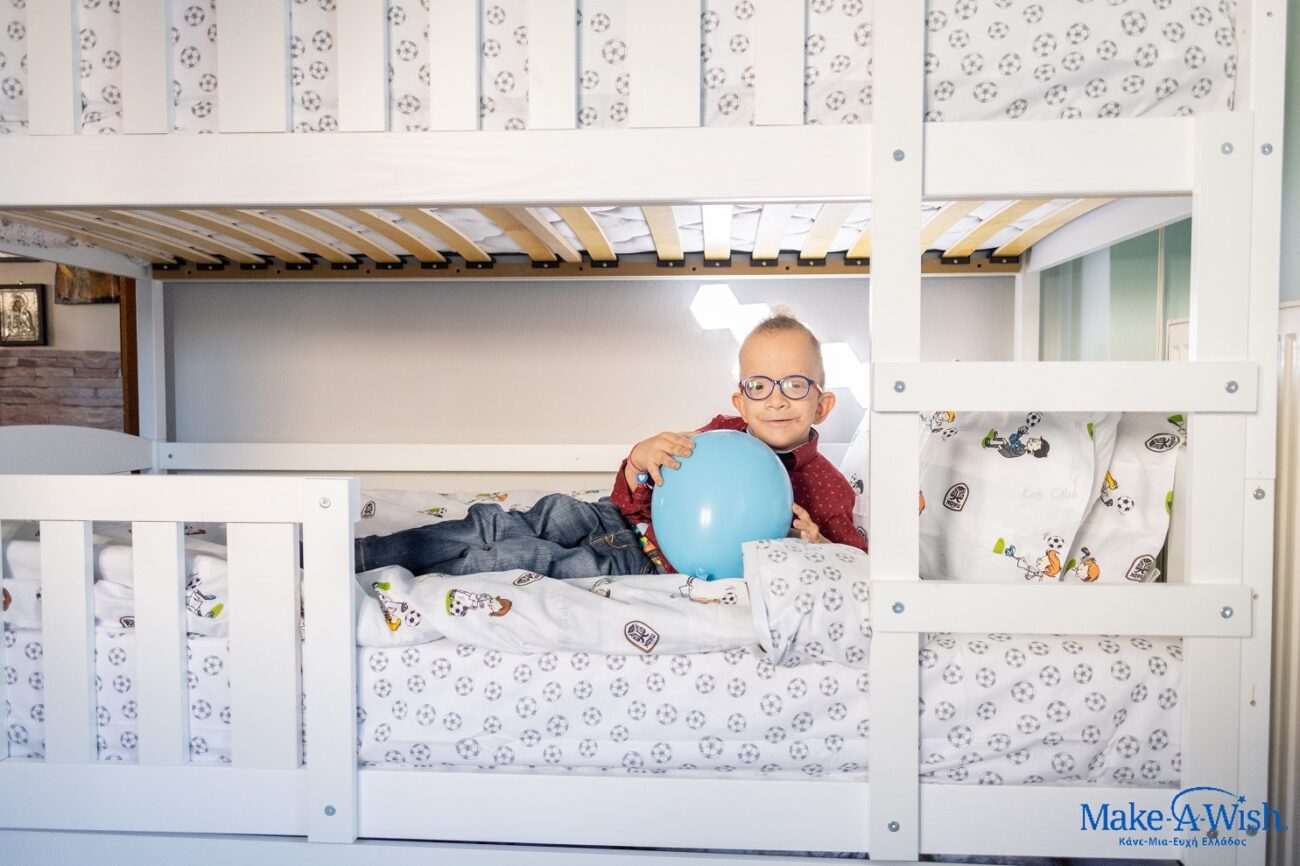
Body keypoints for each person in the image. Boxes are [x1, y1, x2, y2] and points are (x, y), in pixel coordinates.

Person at [353, 313, 866, 579]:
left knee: (524, 557)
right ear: (740, 399)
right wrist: (640, 459)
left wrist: (819, 549)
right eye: (759, 385)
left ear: (822, 405)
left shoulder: (829, 488)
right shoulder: (718, 435)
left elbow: (857, 563)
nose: (776, 399)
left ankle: (401, 576)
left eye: (795, 384)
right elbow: (636, 496)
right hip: (615, 519)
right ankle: (361, 554)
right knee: (517, 519)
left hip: (643, 566)